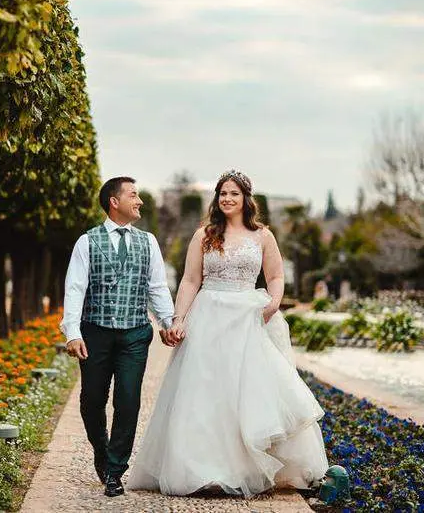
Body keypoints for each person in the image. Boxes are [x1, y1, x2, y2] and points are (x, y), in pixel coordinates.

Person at [128, 169, 329, 497]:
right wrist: (179, 318)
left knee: (246, 394)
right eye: (222, 193)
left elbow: (276, 275)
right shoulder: (204, 235)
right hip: (209, 315)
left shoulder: (262, 235)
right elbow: (191, 280)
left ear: (246, 198)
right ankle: (204, 471)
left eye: (234, 193)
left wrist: (273, 304)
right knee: (206, 393)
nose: (227, 199)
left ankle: (246, 469)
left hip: (249, 316)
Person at [60, 176, 175, 497]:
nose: (140, 201)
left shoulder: (148, 241)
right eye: (134, 195)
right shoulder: (87, 241)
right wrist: (72, 331)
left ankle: (115, 469)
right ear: (114, 201)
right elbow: (75, 289)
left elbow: (156, 287)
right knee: (91, 400)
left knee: (128, 400)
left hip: (136, 334)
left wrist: (167, 321)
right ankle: (101, 450)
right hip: (95, 333)